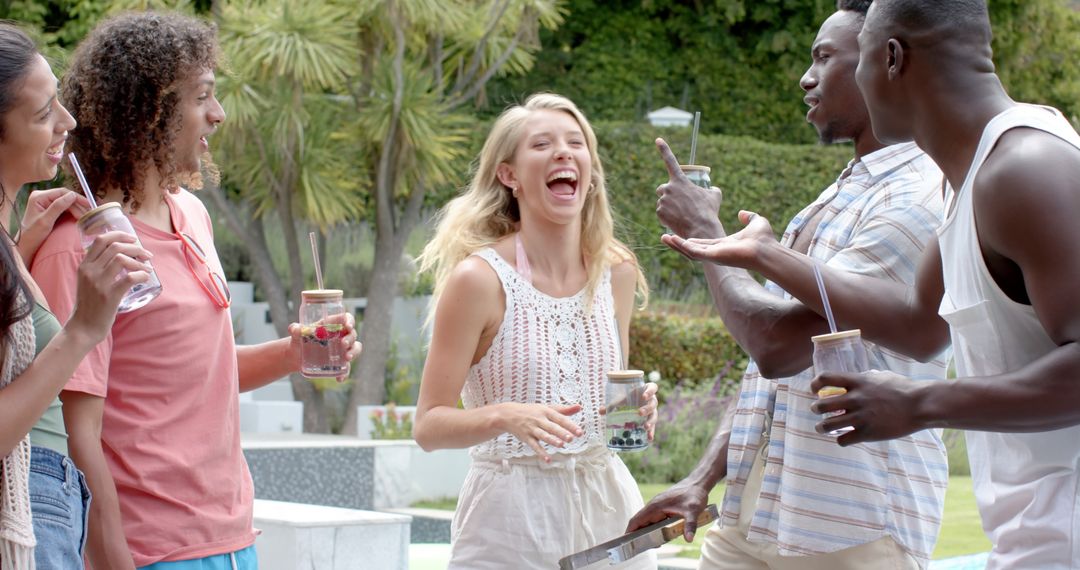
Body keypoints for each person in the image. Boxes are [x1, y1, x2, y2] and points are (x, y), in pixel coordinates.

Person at [664, 0, 1080, 567]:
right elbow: (916, 325)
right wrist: (763, 255)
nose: (815, 79)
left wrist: (924, 403)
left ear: (890, 58)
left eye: (853, 60)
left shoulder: (1027, 167)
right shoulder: (968, 180)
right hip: (1033, 537)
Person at [29, 12, 361, 570]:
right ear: (148, 110)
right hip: (150, 551)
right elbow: (76, 430)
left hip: (232, 538)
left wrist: (292, 354)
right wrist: (113, 558)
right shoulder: (80, 246)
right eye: (202, 96)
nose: (219, 113)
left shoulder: (193, 214)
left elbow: (193, 368)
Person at [628, 2, 951, 568]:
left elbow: (776, 344)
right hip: (755, 514)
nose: (806, 77)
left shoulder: (916, 198)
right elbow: (771, 378)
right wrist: (703, 477)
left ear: (886, 61)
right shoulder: (839, 193)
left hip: (853, 525)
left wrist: (707, 234)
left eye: (824, 57)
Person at [413, 93, 659, 569]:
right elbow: (427, 425)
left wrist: (636, 410)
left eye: (576, 143)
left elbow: (610, 399)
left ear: (589, 174)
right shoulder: (477, 280)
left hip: (609, 507)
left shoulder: (618, 271)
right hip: (508, 522)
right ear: (509, 176)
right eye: (542, 144)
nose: (564, 153)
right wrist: (504, 416)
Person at [0, 23, 152, 569]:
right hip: (27, 507)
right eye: (43, 115)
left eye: (60, 102)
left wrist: (19, 247)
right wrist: (84, 328)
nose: (67, 123)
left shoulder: (14, 242)